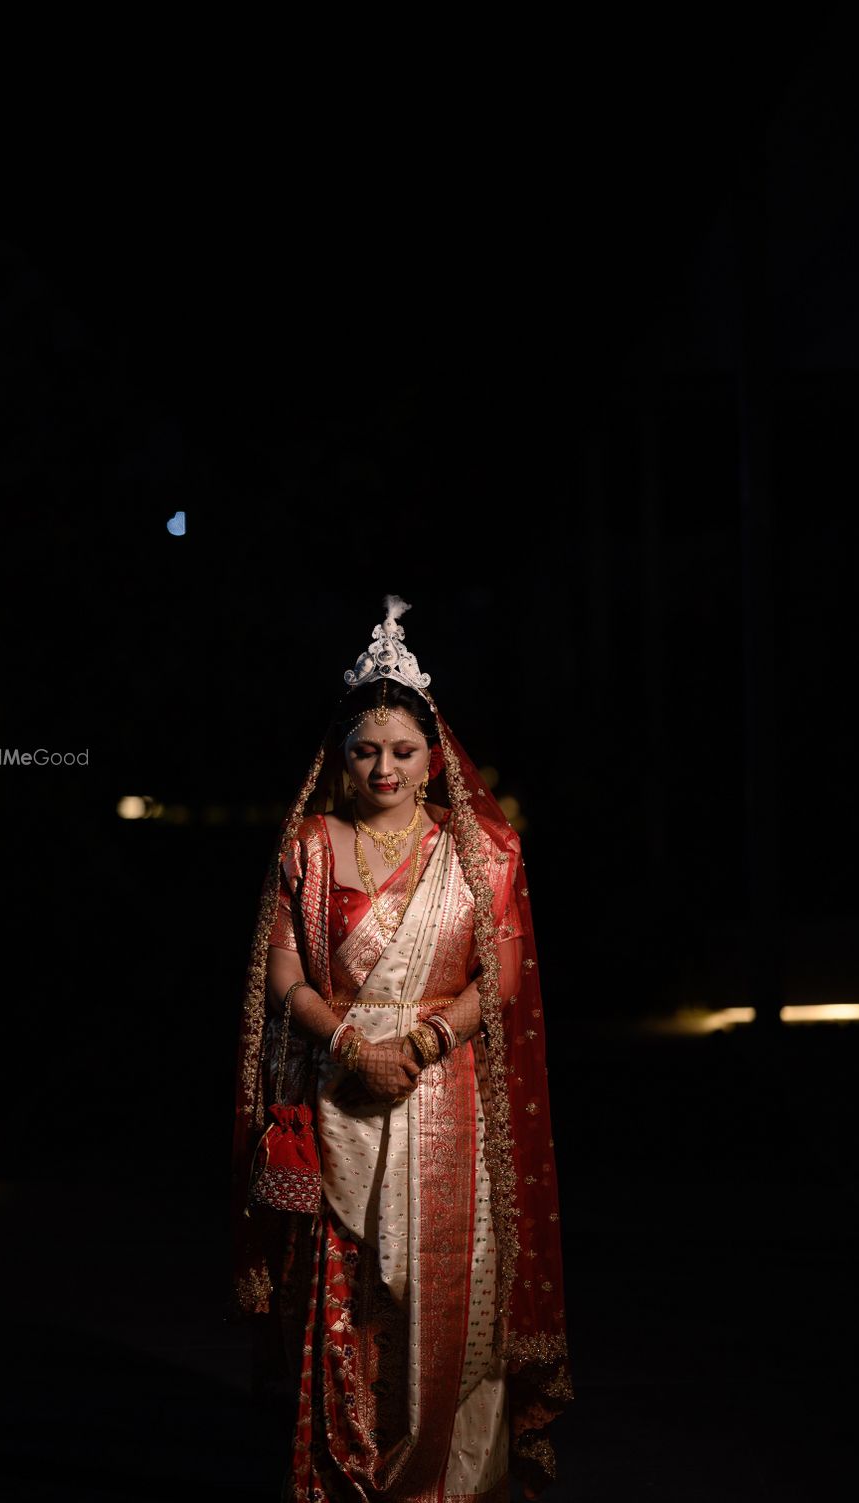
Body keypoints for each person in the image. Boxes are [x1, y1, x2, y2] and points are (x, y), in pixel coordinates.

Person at [229, 596, 573, 1501]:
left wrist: (416, 1042)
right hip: (338, 1094)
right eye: (366, 749)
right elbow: (283, 970)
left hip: (443, 1104)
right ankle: (343, 1478)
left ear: (433, 760)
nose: (383, 765)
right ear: (342, 759)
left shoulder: (482, 853)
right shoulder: (310, 844)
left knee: (443, 1302)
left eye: (402, 750)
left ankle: (438, 1482)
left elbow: (495, 981)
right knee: (344, 1302)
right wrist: (349, 1040)